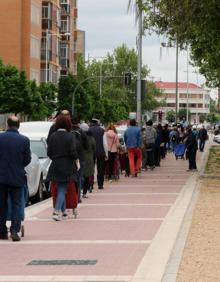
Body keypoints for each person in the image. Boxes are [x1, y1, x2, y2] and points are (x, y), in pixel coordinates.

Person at [0, 116, 31, 241]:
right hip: (17, 176)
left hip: (1, 177)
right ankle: (14, 231)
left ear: (7, 124)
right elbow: (27, 159)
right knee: (17, 204)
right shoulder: (24, 140)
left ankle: (2, 231)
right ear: (18, 125)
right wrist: (18, 165)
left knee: (1, 204)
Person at [47, 114, 78, 221]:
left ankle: (64, 212)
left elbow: (49, 153)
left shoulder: (53, 136)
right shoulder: (71, 136)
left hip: (55, 164)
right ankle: (56, 211)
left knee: (61, 188)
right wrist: (76, 160)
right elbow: (73, 152)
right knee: (62, 189)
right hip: (67, 165)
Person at [71, 117, 88, 203]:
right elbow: (87, 146)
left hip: (70, 159)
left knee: (70, 179)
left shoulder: (68, 132)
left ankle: (70, 197)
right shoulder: (82, 133)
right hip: (80, 158)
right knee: (79, 177)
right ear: (79, 124)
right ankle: (77, 198)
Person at [88, 118, 108, 189]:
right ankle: (100, 184)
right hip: (101, 151)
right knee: (101, 168)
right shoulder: (102, 130)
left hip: (91, 152)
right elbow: (105, 143)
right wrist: (106, 153)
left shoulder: (88, 130)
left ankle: (91, 184)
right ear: (98, 122)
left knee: (91, 168)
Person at [80, 122, 96, 197]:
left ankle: (80, 191)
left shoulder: (78, 137)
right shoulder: (91, 138)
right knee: (87, 176)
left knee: (80, 176)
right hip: (89, 159)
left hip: (80, 158)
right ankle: (84, 193)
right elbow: (94, 148)